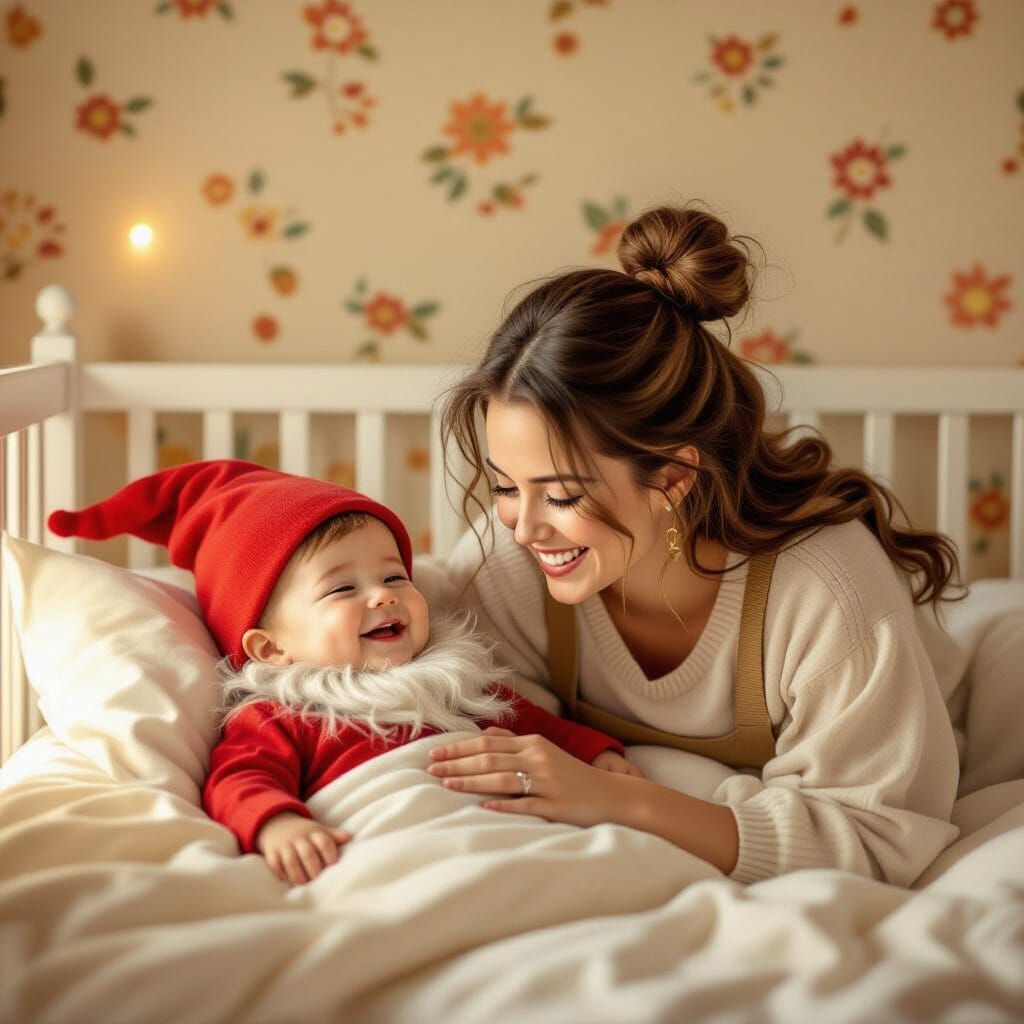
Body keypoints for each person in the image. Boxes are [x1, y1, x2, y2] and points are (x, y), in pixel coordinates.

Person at [430, 201, 968, 887]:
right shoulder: (507, 565)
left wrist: (623, 799)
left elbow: (881, 833)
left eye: (561, 494)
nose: (522, 525)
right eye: (506, 485)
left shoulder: (825, 588)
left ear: (673, 476)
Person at [48, 459, 637, 888]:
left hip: (517, 838)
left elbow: (538, 729)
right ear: (271, 648)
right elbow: (239, 779)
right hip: (399, 849)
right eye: (343, 588)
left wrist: (600, 757)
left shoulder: (457, 682)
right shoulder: (285, 713)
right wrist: (276, 824)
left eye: (395, 577)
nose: (384, 597)